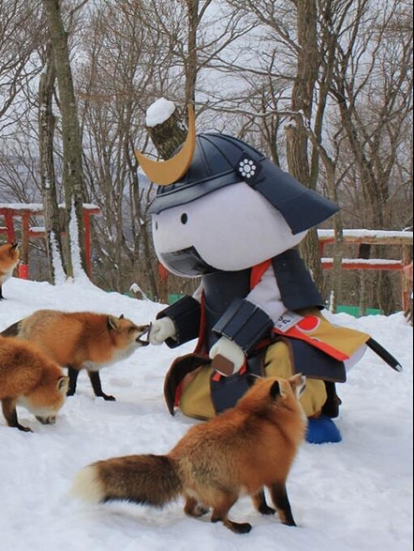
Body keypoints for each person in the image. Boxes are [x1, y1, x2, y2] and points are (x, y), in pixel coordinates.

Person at [137, 106, 397, 443]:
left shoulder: (275, 265)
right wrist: (173, 322)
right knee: (188, 392)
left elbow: (269, 301)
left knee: (286, 363)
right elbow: (204, 302)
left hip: (271, 349)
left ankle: (297, 411)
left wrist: (235, 340)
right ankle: (255, 410)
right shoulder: (218, 267)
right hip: (230, 363)